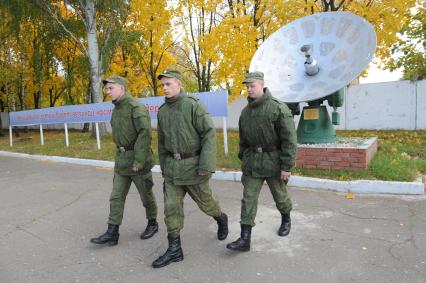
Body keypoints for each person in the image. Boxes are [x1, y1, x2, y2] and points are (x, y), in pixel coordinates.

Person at [152, 69, 228, 268]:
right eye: (163, 85)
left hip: (194, 168)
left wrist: (206, 165)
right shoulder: (162, 111)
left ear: (179, 84)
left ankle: (221, 218)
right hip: (172, 171)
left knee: (207, 204)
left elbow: (209, 134)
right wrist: (164, 166)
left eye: (168, 84)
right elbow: (161, 142)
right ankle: (175, 249)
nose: (165, 88)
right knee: (171, 209)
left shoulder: (193, 106)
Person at [226, 71, 297, 252]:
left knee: (280, 196)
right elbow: (243, 140)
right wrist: (244, 158)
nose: (249, 89)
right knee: (248, 199)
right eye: (247, 86)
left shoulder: (278, 108)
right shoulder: (245, 113)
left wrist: (287, 166)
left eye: (252, 86)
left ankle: (286, 219)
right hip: (253, 163)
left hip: (274, 162)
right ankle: (245, 239)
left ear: (262, 85)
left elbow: (289, 140)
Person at [90, 76, 158, 246]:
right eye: (107, 89)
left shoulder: (136, 107)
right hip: (122, 162)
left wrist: (139, 161)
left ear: (121, 88)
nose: (108, 92)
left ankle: (153, 223)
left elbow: (145, 135)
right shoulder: (117, 108)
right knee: (116, 197)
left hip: (137, 162)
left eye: (111, 88)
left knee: (146, 195)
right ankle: (112, 232)